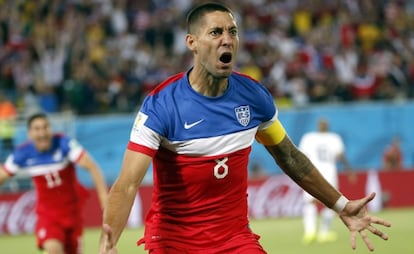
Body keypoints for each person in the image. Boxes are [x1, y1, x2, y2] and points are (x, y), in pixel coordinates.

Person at [99, 3, 391, 254]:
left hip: (234, 239)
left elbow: (289, 156)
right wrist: (108, 244)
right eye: (215, 32)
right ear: (192, 42)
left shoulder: (253, 97)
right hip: (174, 241)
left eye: (232, 32)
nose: (227, 40)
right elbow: (127, 183)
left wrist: (340, 204)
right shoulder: (161, 105)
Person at [0, 112, 108, 254]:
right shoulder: (22, 153)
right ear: (29, 134)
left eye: (45, 127)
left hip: (73, 214)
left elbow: (92, 167)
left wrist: (105, 200)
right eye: (37, 129)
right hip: (48, 216)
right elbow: (2, 175)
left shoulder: (64, 144)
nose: (42, 132)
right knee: (54, 250)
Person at [298, 118, 354, 244]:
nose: (323, 125)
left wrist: (349, 170)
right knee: (329, 202)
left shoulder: (309, 138)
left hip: (313, 173)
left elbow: (302, 156)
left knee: (315, 203)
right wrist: (349, 169)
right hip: (325, 173)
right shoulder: (334, 138)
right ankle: (318, 232)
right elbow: (341, 156)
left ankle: (313, 232)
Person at [0, 93, 17, 161]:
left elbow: (13, 118)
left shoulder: (8, 106)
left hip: (8, 133)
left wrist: (5, 119)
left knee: (10, 149)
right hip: (2, 134)